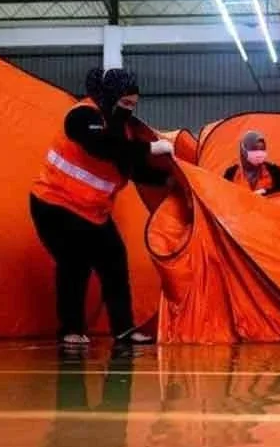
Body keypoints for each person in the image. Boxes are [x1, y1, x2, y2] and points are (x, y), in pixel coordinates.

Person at [31, 67, 174, 345]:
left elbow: (132, 168)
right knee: (75, 263)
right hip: (54, 204)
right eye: (125, 104)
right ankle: (71, 330)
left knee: (115, 263)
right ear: (111, 96)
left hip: (92, 213)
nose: (129, 110)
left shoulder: (125, 131)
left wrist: (168, 179)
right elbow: (102, 147)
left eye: (133, 106)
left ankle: (123, 330)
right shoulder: (83, 116)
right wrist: (150, 149)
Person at [222, 130, 280, 196]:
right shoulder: (231, 174)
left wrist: (267, 192)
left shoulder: (275, 171)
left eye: (262, 150)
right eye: (254, 149)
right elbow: (222, 201)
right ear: (243, 151)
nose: (259, 153)